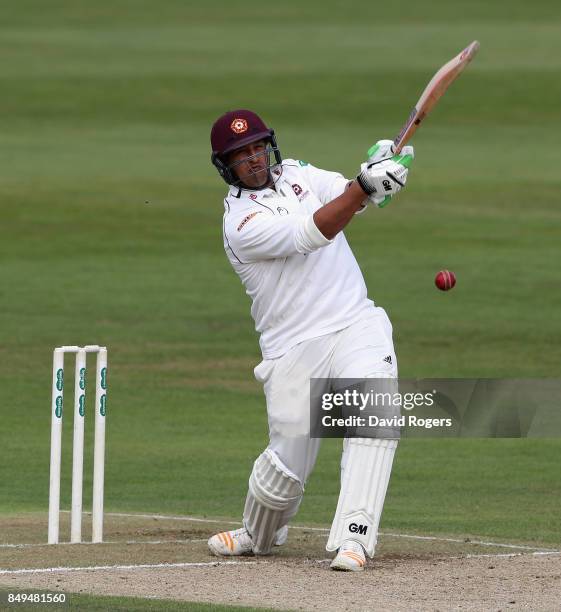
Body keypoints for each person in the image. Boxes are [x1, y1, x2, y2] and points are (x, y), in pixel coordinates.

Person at [207, 109, 413, 571]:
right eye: (242, 155)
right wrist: (364, 187)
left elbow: (347, 197)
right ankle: (258, 533)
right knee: (284, 472)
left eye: (258, 147)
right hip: (293, 348)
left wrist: (377, 174)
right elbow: (313, 230)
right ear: (227, 166)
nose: (255, 159)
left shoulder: (298, 173)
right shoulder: (239, 225)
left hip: (354, 321)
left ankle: (354, 539)